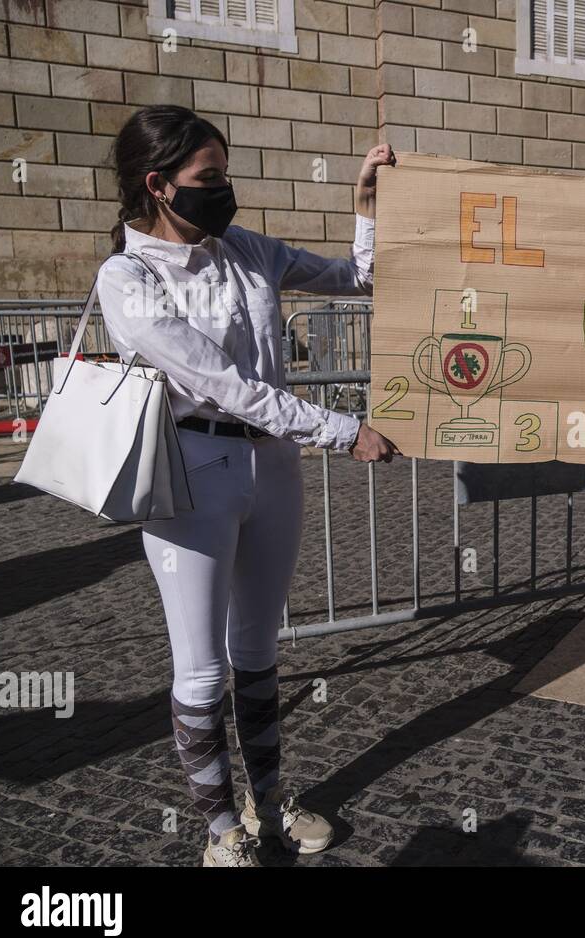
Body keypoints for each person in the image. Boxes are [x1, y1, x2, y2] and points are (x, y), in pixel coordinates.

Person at [97, 105, 398, 865]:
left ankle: (268, 805)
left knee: (259, 651)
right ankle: (220, 832)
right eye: (211, 178)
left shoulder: (246, 249)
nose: (224, 189)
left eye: (224, 174)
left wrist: (365, 204)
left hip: (274, 467)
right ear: (159, 185)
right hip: (191, 473)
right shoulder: (126, 276)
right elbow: (223, 383)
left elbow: (358, 279)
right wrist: (340, 429)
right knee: (200, 668)